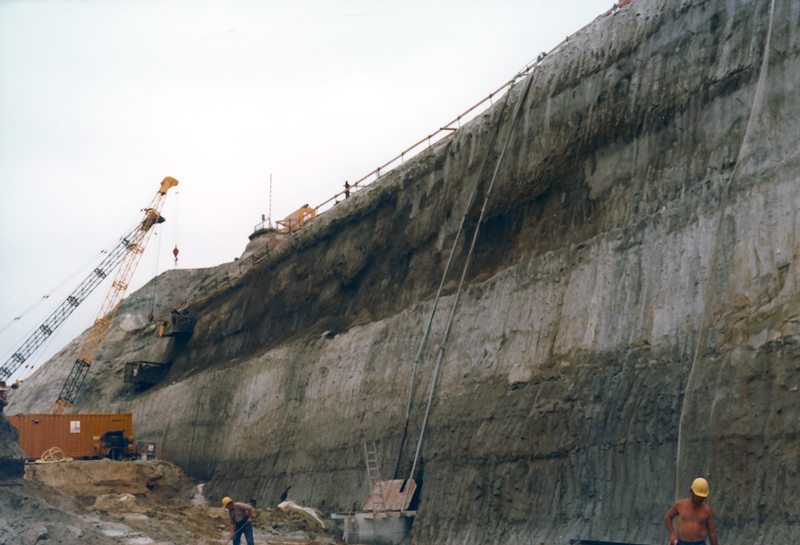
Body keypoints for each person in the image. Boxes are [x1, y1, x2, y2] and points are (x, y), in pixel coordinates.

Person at [665, 478, 719, 545]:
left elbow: (711, 532)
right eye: (698, 496)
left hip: (700, 543)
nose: (700, 499)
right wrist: (672, 534)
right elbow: (667, 518)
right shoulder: (680, 505)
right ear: (691, 492)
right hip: (682, 543)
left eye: (703, 497)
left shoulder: (707, 510)